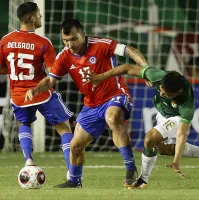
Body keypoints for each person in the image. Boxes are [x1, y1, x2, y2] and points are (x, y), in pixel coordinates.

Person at [25, 19, 149, 188]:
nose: (70, 44)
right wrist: (35, 89)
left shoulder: (101, 44)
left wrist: (146, 69)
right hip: (91, 105)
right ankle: (74, 181)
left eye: (74, 39)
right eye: (66, 41)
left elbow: (130, 51)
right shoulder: (64, 56)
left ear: (83, 34)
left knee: (112, 118)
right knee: (75, 146)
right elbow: (50, 80)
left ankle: (130, 168)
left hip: (115, 95)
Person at [82, 63, 195, 189]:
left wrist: (176, 161)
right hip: (162, 113)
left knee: (149, 138)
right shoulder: (157, 76)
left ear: (178, 93)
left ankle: (142, 180)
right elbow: (127, 68)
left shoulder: (186, 106)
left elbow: (181, 134)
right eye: (161, 90)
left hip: (177, 116)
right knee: (164, 149)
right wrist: (101, 77)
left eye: (166, 94)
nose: (161, 95)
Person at [0, 2, 74, 174]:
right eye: (39, 14)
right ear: (33, 18)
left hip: (18, 95)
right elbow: (53, 74)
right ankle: (72, 170)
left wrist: (13, 71)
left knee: (24, 123)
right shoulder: (43, 42)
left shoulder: (5, 40)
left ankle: (29, 161)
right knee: (64, 127)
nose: (40, 17)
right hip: (42, 93)